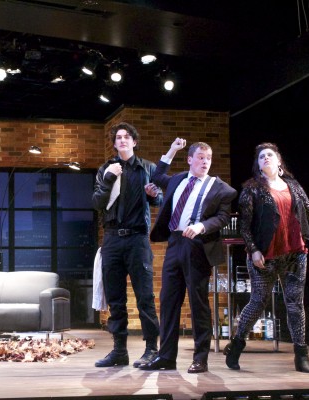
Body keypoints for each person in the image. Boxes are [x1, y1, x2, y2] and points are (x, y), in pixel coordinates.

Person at [224, 142, 309, 373]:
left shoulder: (294, 186)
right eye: (261, 157)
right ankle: (237, 344)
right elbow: (245, 226)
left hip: (295, 253)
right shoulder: (251, 188)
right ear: (258, 165)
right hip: (265, 256)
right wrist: (253, 249)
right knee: (258, 301)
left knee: (295, 304)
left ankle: (302, 356)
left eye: (270, 155)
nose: (266, 159)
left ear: (279, 161)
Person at [140, 137, 237, 373]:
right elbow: (156, 176)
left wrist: (202, 226)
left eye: (209, 158)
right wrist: (171, 149)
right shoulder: (179, 179)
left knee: (198, 302)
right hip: (175, 243)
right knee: (169, 301)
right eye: (201, 158)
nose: (205, 162)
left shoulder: (220, 188)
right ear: (191, 160)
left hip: (198, 246)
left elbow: (223, 217)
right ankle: (166, 357)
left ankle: (200, 358)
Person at [92, 122, 163, 368]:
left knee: (145, 297)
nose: (122, 140)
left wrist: (155, 195)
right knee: (115, 298)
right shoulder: (106, 168)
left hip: (137, 239)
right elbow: (98, 202)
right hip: (111, 238)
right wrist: (110, 178)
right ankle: (119, 350)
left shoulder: (148, 168)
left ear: (134, 142)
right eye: (118, 137)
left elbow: (160, 199)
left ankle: (152, 349)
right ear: (114, 143)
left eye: (127, 137)